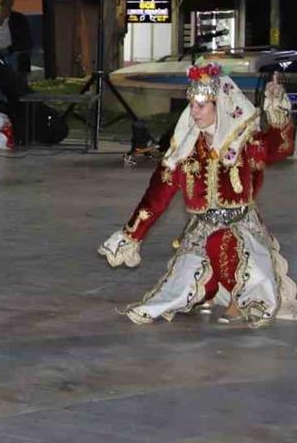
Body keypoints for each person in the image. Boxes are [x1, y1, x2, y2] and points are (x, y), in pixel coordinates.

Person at [98, 66, 295, 326]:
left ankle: (242, 298)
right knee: (177, 287)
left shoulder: (245, 142)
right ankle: (211, 291)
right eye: (192, 105)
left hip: (240, 229)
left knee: (220, 242)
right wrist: (130, 236)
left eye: (202, 106)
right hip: (201, 228)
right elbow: (157, 197)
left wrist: (278, 112)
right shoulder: (185, 150)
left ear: (220, 106)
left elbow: (280, 147)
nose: (194, 111)